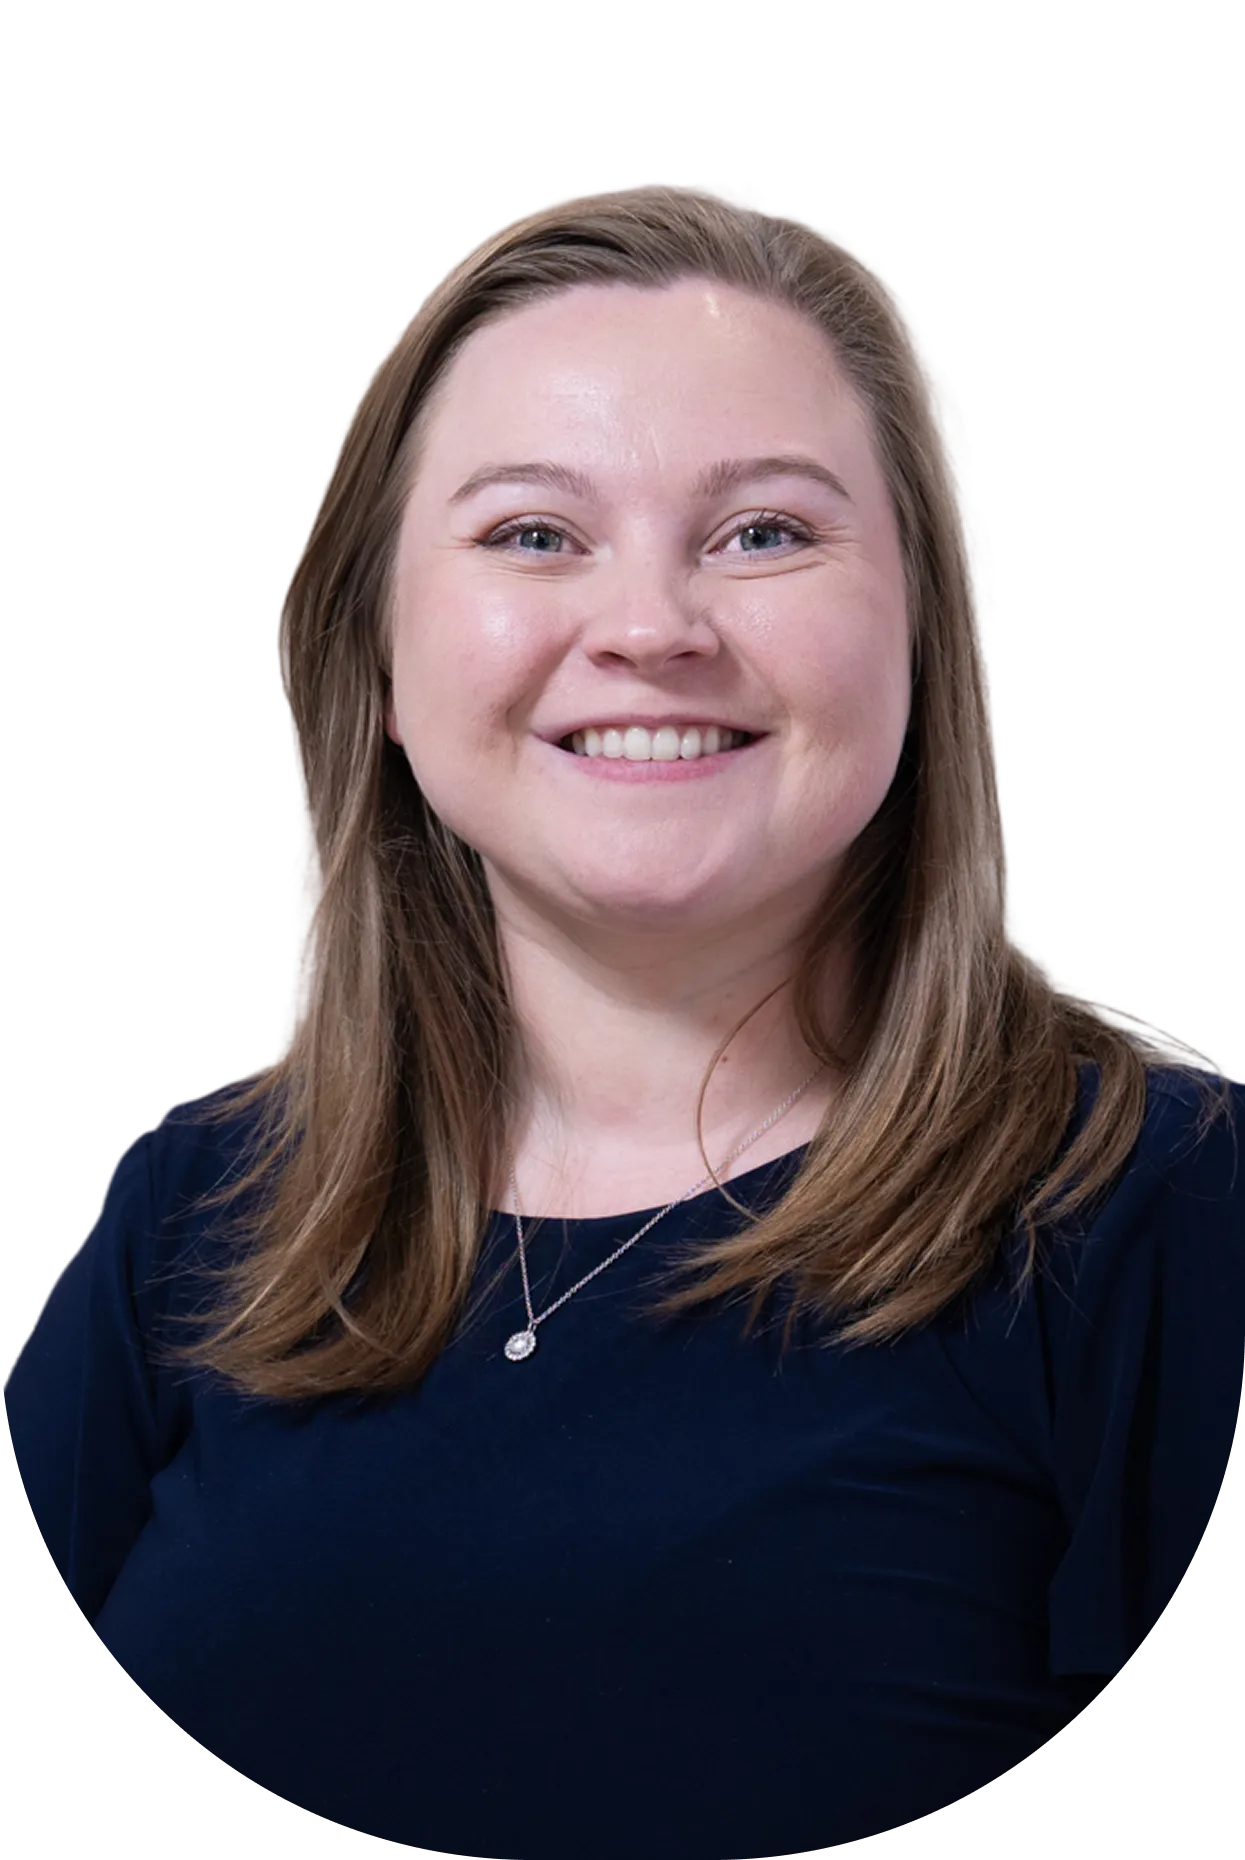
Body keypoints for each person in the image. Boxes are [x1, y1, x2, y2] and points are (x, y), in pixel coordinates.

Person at [5, 182, 1242, 1859]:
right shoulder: (198, 1218)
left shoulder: (1148, 1207)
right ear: (373, 649)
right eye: (534, 534)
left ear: (926, 636)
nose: (652, 626)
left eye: (765, 533)